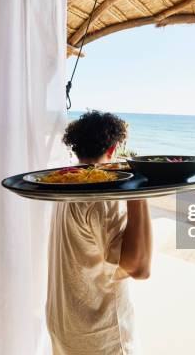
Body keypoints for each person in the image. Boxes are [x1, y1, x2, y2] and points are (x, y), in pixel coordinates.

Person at [46, 111, 152, 355]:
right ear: (113, 149)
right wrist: (139, 190)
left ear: (76, 148)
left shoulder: (67, 184)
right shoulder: (100, 196)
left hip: (65, 324)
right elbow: (139, 268)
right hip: (99, 336)